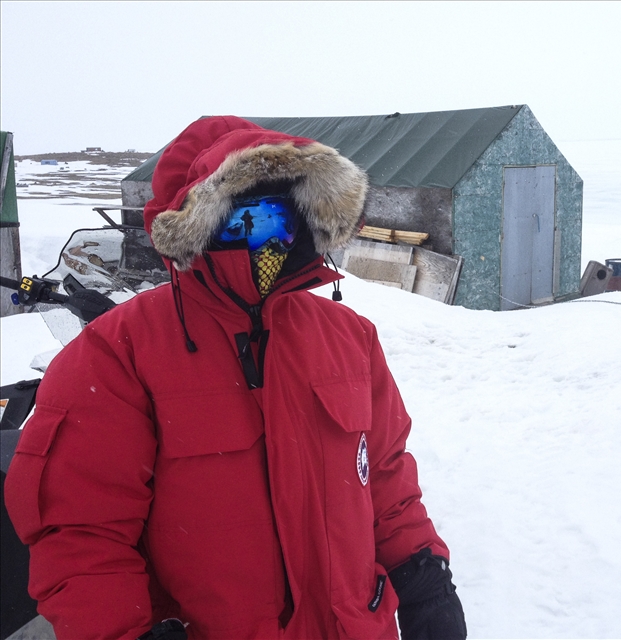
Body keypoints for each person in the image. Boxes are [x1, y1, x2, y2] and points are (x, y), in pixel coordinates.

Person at [4, 116, 467, 640]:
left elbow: (382, 475)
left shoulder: (348, 337)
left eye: (280, 219)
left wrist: (424, 572)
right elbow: (81, 531)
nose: (266, 241)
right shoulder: (118, 354)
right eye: (242, 221)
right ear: (201, 223)